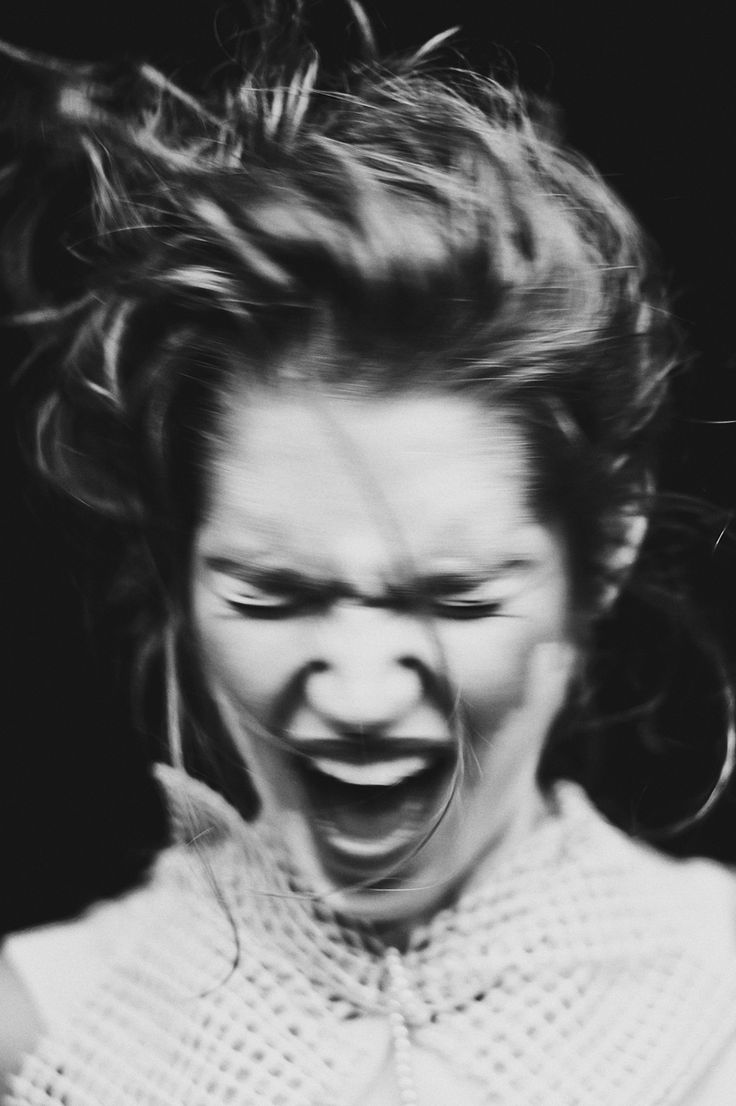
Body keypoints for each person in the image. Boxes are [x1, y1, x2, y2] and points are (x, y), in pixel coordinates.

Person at [1, 11, 736, 1104]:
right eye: (272, 592)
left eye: (452, 596)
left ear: (609, 546)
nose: (355, 691)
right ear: (177, 563)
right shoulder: (44, 1029)